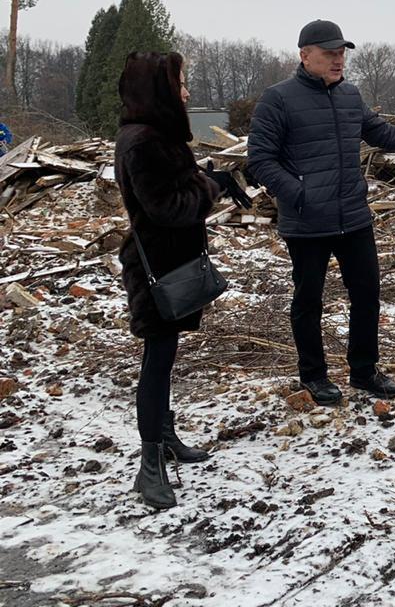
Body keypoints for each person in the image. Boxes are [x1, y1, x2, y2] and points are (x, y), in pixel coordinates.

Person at [247, 20, 395, 405]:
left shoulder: (349, 95)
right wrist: (298, 194)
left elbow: (379, 132)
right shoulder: (278, 99)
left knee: (367, 295)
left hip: (353, 215)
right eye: (329, 53)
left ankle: (364, 371)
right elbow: (260, 159)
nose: (338, 59)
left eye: (342, 52)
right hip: (307, 221)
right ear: (304, 55)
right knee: (309, 300)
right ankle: (313, 375)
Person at [115, 52, 243, 509]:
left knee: (165, 357)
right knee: (157, 358)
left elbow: (176, 185)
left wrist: (211, 176)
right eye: (180, 83)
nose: (186, 92)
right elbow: (168, 208)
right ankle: (149, 468)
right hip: (155, 272)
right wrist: (210, 189)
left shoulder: (159, 136)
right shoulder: (142, 142)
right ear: (158, 88)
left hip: (175, 264)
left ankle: (166, 438)